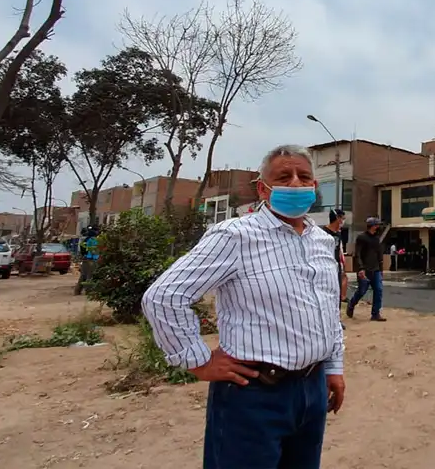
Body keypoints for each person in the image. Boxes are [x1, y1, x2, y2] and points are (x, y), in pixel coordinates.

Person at [142, 144, 345, 469]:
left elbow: (327, 311)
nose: (295, 183)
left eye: (303, 177)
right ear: (263, 188)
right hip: (253, 395)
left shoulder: (322, 241)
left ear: (314, 187)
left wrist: (334, 369)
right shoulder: (234, 236)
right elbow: (164, 296)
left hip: (312, 390)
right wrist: (197, 361)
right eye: (283, 176)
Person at [347, 216, 386, 322]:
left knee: (378, 290)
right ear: (372, 226)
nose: (378, 226)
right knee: (362, 291)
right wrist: (360, 268)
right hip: (364, 269)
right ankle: (351, 304)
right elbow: (358, 254)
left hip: (376, 269)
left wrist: (381, 269)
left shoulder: (377, 238)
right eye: (376, 224)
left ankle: (375, 313)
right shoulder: (361, 237)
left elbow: (379, 254)